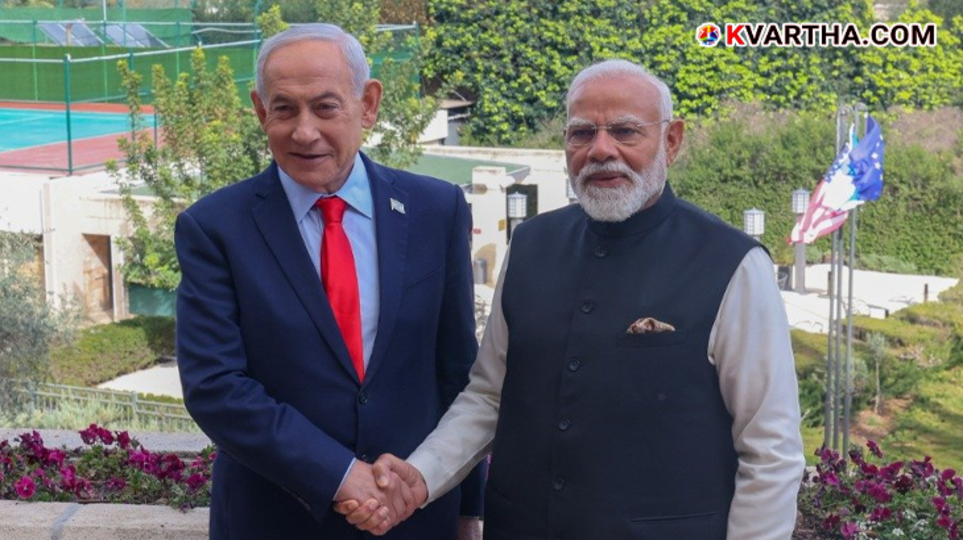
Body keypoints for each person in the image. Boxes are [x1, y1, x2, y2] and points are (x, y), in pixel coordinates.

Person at [338, 59, 806, 539]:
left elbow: (770, 451)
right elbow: (488, 396)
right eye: (582, 133)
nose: (601, 150)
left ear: (671, 140)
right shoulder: (531, 245)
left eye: (625, 132)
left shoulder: (732, 263)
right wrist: (422, 475)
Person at [175, 23, 485, 540]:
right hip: (274, 521)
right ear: (259, 111)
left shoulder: (437, 208)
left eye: (325, 107)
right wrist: (342, 477)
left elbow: (456, 368)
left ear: (368, 104)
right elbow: (216, 387)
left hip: (416, 520)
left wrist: (468, 508)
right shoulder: (214, 227)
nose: (303, 131)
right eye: (284, 109)